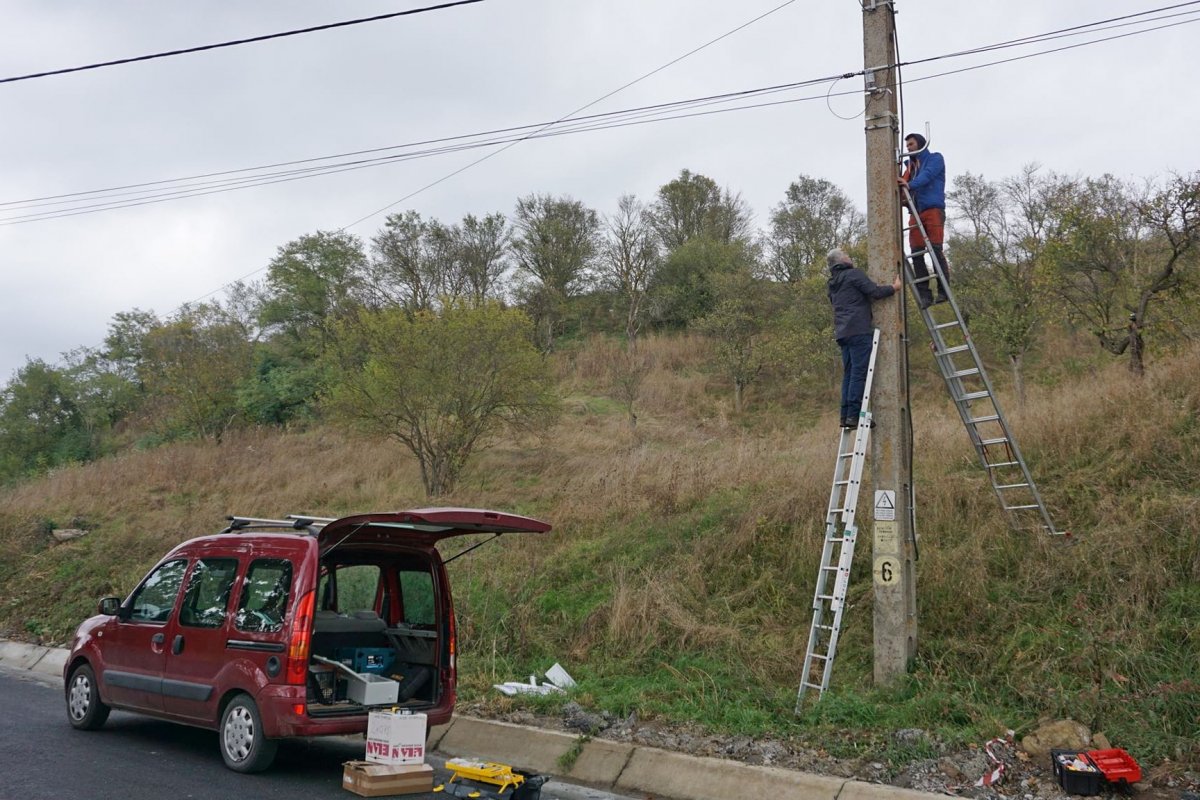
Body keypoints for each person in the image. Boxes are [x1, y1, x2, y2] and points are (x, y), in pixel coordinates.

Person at [826, 248, 901, 429]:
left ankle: (845, 416)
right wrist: (894, 288)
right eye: (846, 254)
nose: (849, 256)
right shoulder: (853, 275)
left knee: (850, 374)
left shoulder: (832, 283)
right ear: (841, 260)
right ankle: (854, 415)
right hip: (858, 330)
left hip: (843, 333)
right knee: (859, 373)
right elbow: (874, 291)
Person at [897, 133, 948, 308]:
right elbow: (901, 183)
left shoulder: (934, 159)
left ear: (920, 144)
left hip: (932, 209)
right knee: (917, 253)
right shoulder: (910, 167)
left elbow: (927, 176)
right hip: (916, 212)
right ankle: (925, 295)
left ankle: (943, 290)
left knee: (935, 250)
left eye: (911, 144)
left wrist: (909, 185)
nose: (908, 148)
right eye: (907, 146)